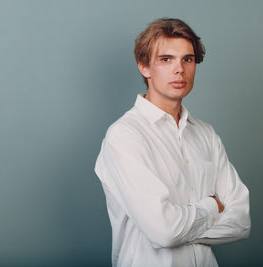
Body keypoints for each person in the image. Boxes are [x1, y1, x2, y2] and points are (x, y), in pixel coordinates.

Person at [95, 17, 251, 267]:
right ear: (144, 67)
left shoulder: (205, 134)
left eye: (187, 59)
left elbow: (241, 222)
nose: (179, 69)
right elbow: (164, 231)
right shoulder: (124, 136)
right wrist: (212, 206)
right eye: (166, 59)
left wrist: (178, 228)